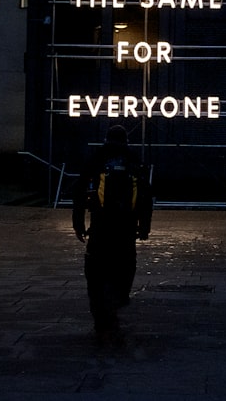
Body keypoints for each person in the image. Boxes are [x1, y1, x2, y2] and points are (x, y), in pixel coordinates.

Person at [72, 125, 153, 343]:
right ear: (126, 140)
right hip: (126, 227)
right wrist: (144, 226)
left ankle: (100, 315)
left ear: (106, 138)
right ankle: (118, 299)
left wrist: (78, 223)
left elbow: (79, 191)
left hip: (100, 225)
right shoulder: (134, 159)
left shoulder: (96, 157)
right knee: (126, 264)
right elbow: (146, 195)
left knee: (95, 268)